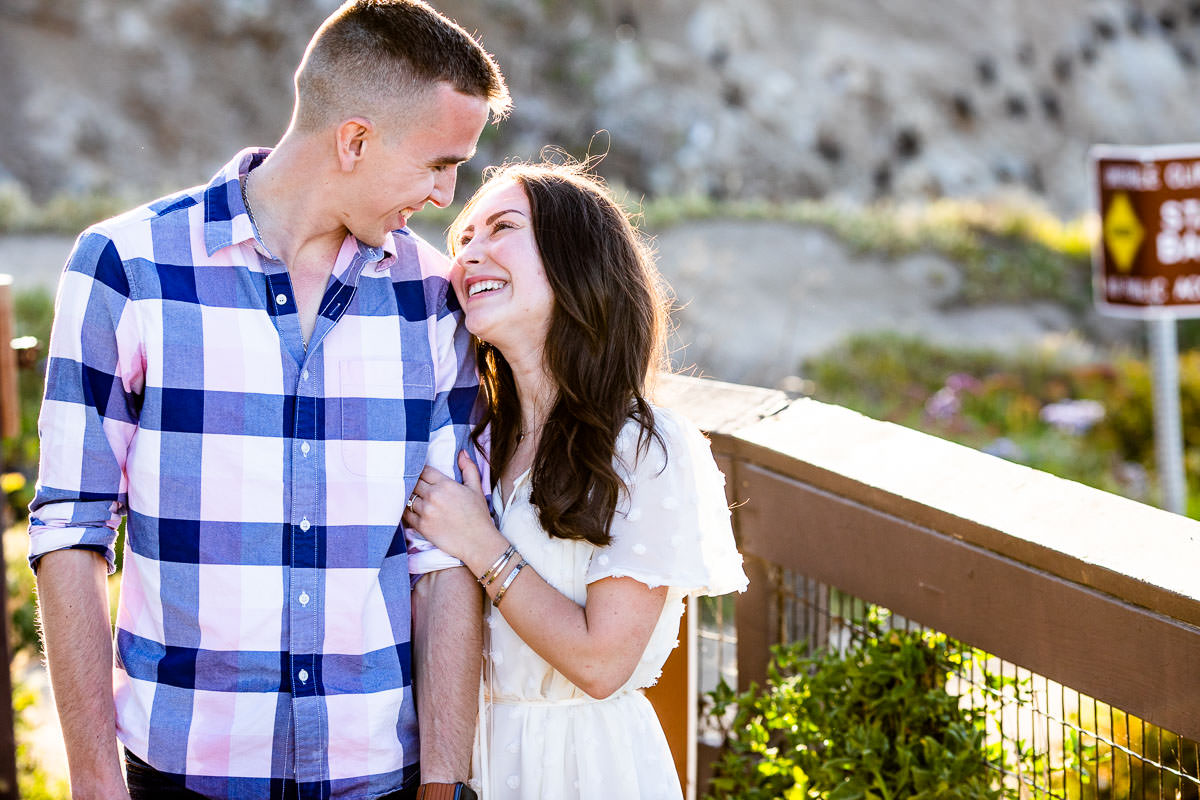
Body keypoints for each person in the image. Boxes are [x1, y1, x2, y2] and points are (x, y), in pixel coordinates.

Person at [28, 2, 509, 798]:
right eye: (438, 164)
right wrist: (94, 781)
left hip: (379, 779)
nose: (443, 196)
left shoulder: (431, 299)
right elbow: (70, 531)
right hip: (180, 775)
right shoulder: (126, 268)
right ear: (354, 139)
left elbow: (441, 558)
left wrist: (442, 783)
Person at [401, 161, 749, 800]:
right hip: (476, 763)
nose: (469, 254)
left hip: (588, 770)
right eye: (462, 241)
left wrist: (480, 544)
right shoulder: (476, 440)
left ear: (573, 259)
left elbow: (600, 663)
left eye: (500, 228)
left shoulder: (643, 447)